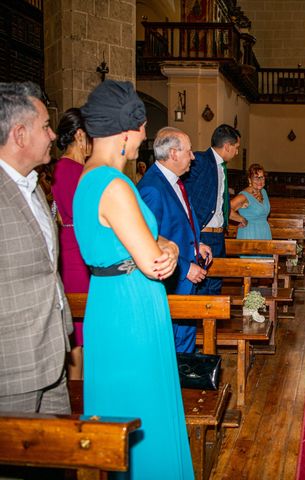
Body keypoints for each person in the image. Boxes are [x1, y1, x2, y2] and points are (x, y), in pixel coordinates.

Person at [74, 80, 193, 478]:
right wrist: (170, 251)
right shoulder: (115, 184)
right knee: (145, 408)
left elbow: (149, 239)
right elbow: (154, 260)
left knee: (119, 408)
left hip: (108, 301)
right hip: (132, 310)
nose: (144, 138)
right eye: (141, 130)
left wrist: (166, 247)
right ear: (125, 132)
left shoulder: (88, 179)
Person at [0, 81, 72, 414]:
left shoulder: (32, 185)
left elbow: (46, 268)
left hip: (52, 353)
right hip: (12, 364)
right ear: (19, 134)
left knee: (57, 462)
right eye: (45, 126)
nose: (53, 135)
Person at [137, 127, 212, 353]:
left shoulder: (174, 181)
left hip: (182, 279)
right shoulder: (152, 188)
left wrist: (196, 243)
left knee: (184, 338)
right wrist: (185, 267)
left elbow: (178, 223)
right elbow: (147, 241)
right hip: (172, 279)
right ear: (173, 153)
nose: (192, 157)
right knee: (172, 343)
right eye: (188, 152)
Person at [51, 107, 92, 380]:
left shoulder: (62, 168)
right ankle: (80, 398)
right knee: (79, 333)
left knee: (81, 331)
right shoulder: (73, 170)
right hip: (79, 252)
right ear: (79, 135)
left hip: (73, 247)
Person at [183, 123, 241, 296]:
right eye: (236, 147)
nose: (237, 152)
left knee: (216, 284)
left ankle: (211, 322)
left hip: (218, 234)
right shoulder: (200, 160)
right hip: (203, 233)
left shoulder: (222, 166)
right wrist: (193, 229)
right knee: (201, 285)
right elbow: (184, 192)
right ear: (227, 146)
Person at [230, 163, 272, 241]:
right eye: (256, 178)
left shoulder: (263, 192)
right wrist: (241, 219)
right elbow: (226, 209)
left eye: (262, 177)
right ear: (250, 179)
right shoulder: (244, 196)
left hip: (264, 233)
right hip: (250, 234)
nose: (260, 181)